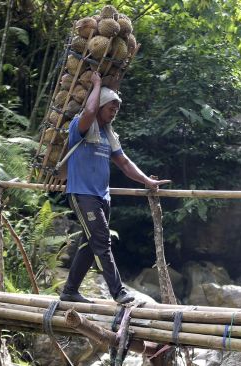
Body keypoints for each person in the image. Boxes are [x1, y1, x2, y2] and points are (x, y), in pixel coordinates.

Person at [59, 72, 170, 304]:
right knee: (102, 240)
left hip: (102, 196)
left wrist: (147, 182)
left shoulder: (109, 135)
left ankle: (70, 291)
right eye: (111, 108)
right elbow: (89, 112)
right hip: (82, 194)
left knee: (91, 245)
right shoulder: (79, 126)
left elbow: (125, 163)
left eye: (116, 110)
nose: (114, 112)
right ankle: (118, 291)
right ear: (99, 105)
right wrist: (97, 84)